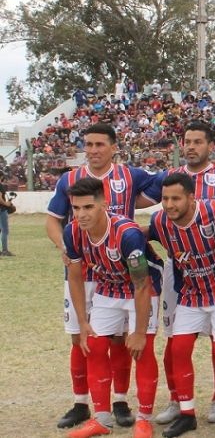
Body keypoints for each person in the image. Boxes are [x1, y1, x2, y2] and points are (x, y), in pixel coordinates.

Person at [46, 123, 158, 430]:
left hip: (121, 269)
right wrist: (65, 249)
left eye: (99, 144)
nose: (93, 150)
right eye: (88, 144)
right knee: (82, 338)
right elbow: (53, 220)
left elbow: (165, 187)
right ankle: (82, 404)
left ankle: (120, 401)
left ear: (113, 148)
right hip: (84, 266)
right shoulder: (70, 179)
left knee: (122, 339)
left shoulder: (129, 176)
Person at [62, 178, 163, 438]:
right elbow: (74, 276)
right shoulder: (72, 232)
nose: (81, 214)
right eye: (76, 208)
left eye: (88, 207)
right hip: (108, 286)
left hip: (142, 287)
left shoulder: (127, 234)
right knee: (94, 347)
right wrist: (83, 322)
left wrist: (139, 332)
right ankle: (102, 420)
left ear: (103, 205)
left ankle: (144, 419)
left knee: (142, 349)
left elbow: (142, 284)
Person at [148, 173, 215, 438]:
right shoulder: (159, 221)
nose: (169, 204)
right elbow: (139, 238)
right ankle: (187, 413)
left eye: (176, 198)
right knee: (178, 350)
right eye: (165, 199)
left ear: (191, 198)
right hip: (191, 293)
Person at [0, 173, 12, 256]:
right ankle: (4, 250)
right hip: (1, 209)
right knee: (5, 230)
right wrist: (6, 204)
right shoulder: (0, 186)